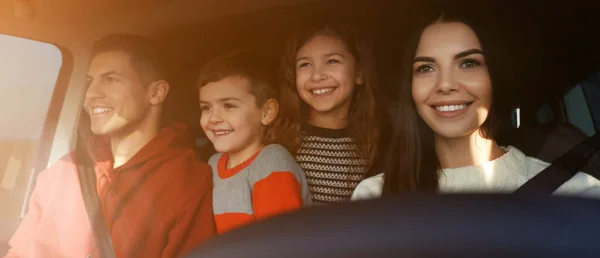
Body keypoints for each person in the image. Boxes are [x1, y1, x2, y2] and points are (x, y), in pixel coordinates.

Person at [5, 34, 216, 258]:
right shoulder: (66, 169)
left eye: (111, 79)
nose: (92, 94)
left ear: (155, 93)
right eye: (90, 82)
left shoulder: (187, 181)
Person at [352, 11, 600, 199]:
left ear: (494, 76)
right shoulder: (374, 196)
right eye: (426, 68)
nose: (446, 84)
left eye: (468, 63)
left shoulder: (576, 194)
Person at [197, 51, 311, 234]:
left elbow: (280, 243)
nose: (213, 118)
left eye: (229, 106)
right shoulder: (213, 164)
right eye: (206, 108)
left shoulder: (271, 163)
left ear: (266, 112)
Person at [281, 22, 388, 205]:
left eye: (332, 61)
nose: (317, 76)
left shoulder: (378, 144)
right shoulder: (282, 139)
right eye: (305, 64)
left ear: (359, 73)